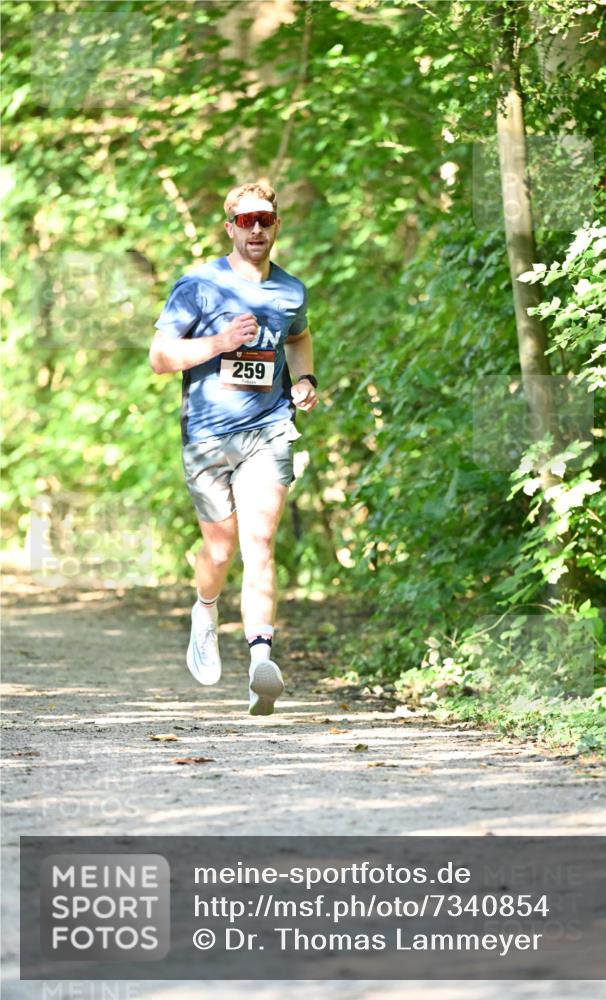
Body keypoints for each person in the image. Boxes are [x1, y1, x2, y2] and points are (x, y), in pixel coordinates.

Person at [148, 181, 317, 716]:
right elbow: (160, 357)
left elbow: (297, 337)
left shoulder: (290, 290)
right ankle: (205, 609)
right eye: (246, 221)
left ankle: (259, 662)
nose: (257, 229)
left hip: (269, 428)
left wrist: (305, 379)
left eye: (265, 219)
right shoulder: (197, 285)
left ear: (277, 225)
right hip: (206, 434)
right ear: (230, 228)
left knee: (260, 541)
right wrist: (220, 344)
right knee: (219, 552)